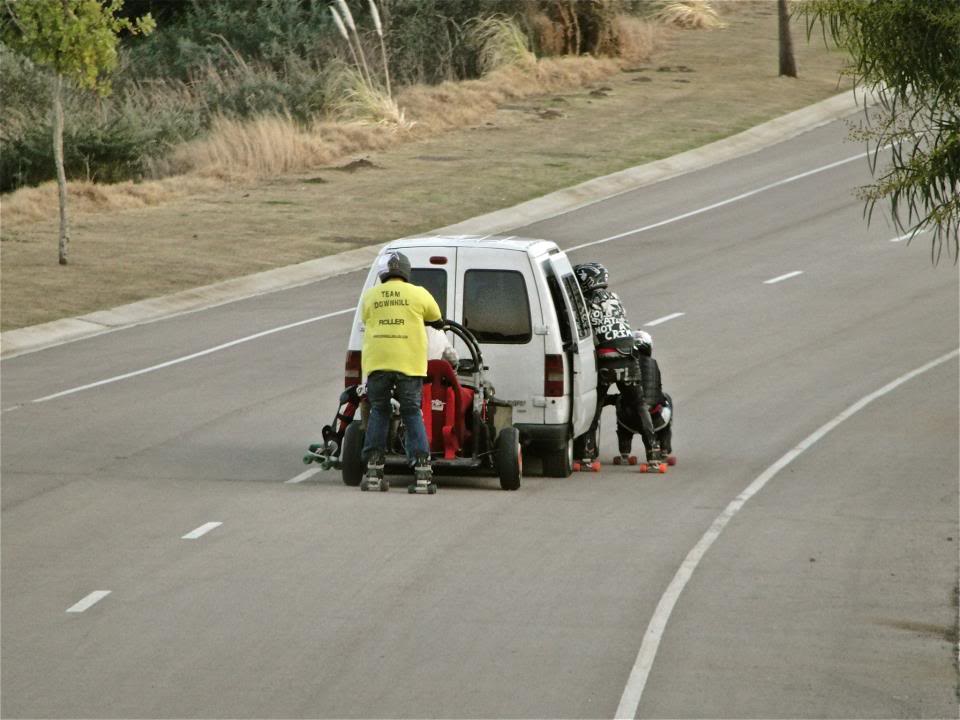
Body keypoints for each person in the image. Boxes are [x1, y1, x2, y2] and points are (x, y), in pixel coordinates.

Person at [359, 250, 443, 489]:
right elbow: (436, 318)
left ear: (384, 273)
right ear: (406, 272)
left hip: (378, 361)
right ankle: (422, 469)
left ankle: (374, 469)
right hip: (409, 363)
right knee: (411, 411)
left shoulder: (371, 295)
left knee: (379, 410)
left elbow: (366, 319)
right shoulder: (418, 294)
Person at [573, 262, 658, 463]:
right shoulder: (615, 298)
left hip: (605, 359)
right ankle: (653, 451)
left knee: (595, 405)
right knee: (639, 405)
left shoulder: (583, 302)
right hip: (628, 356)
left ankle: (587, 452)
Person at [611, 330, 673, 463]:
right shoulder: (653, 363)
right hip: (656, 419)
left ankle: (625, 453)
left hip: (628, 419)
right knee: (667, 400)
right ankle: (664, 450)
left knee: (621, 401)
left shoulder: (624, 364)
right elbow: (658, 390)